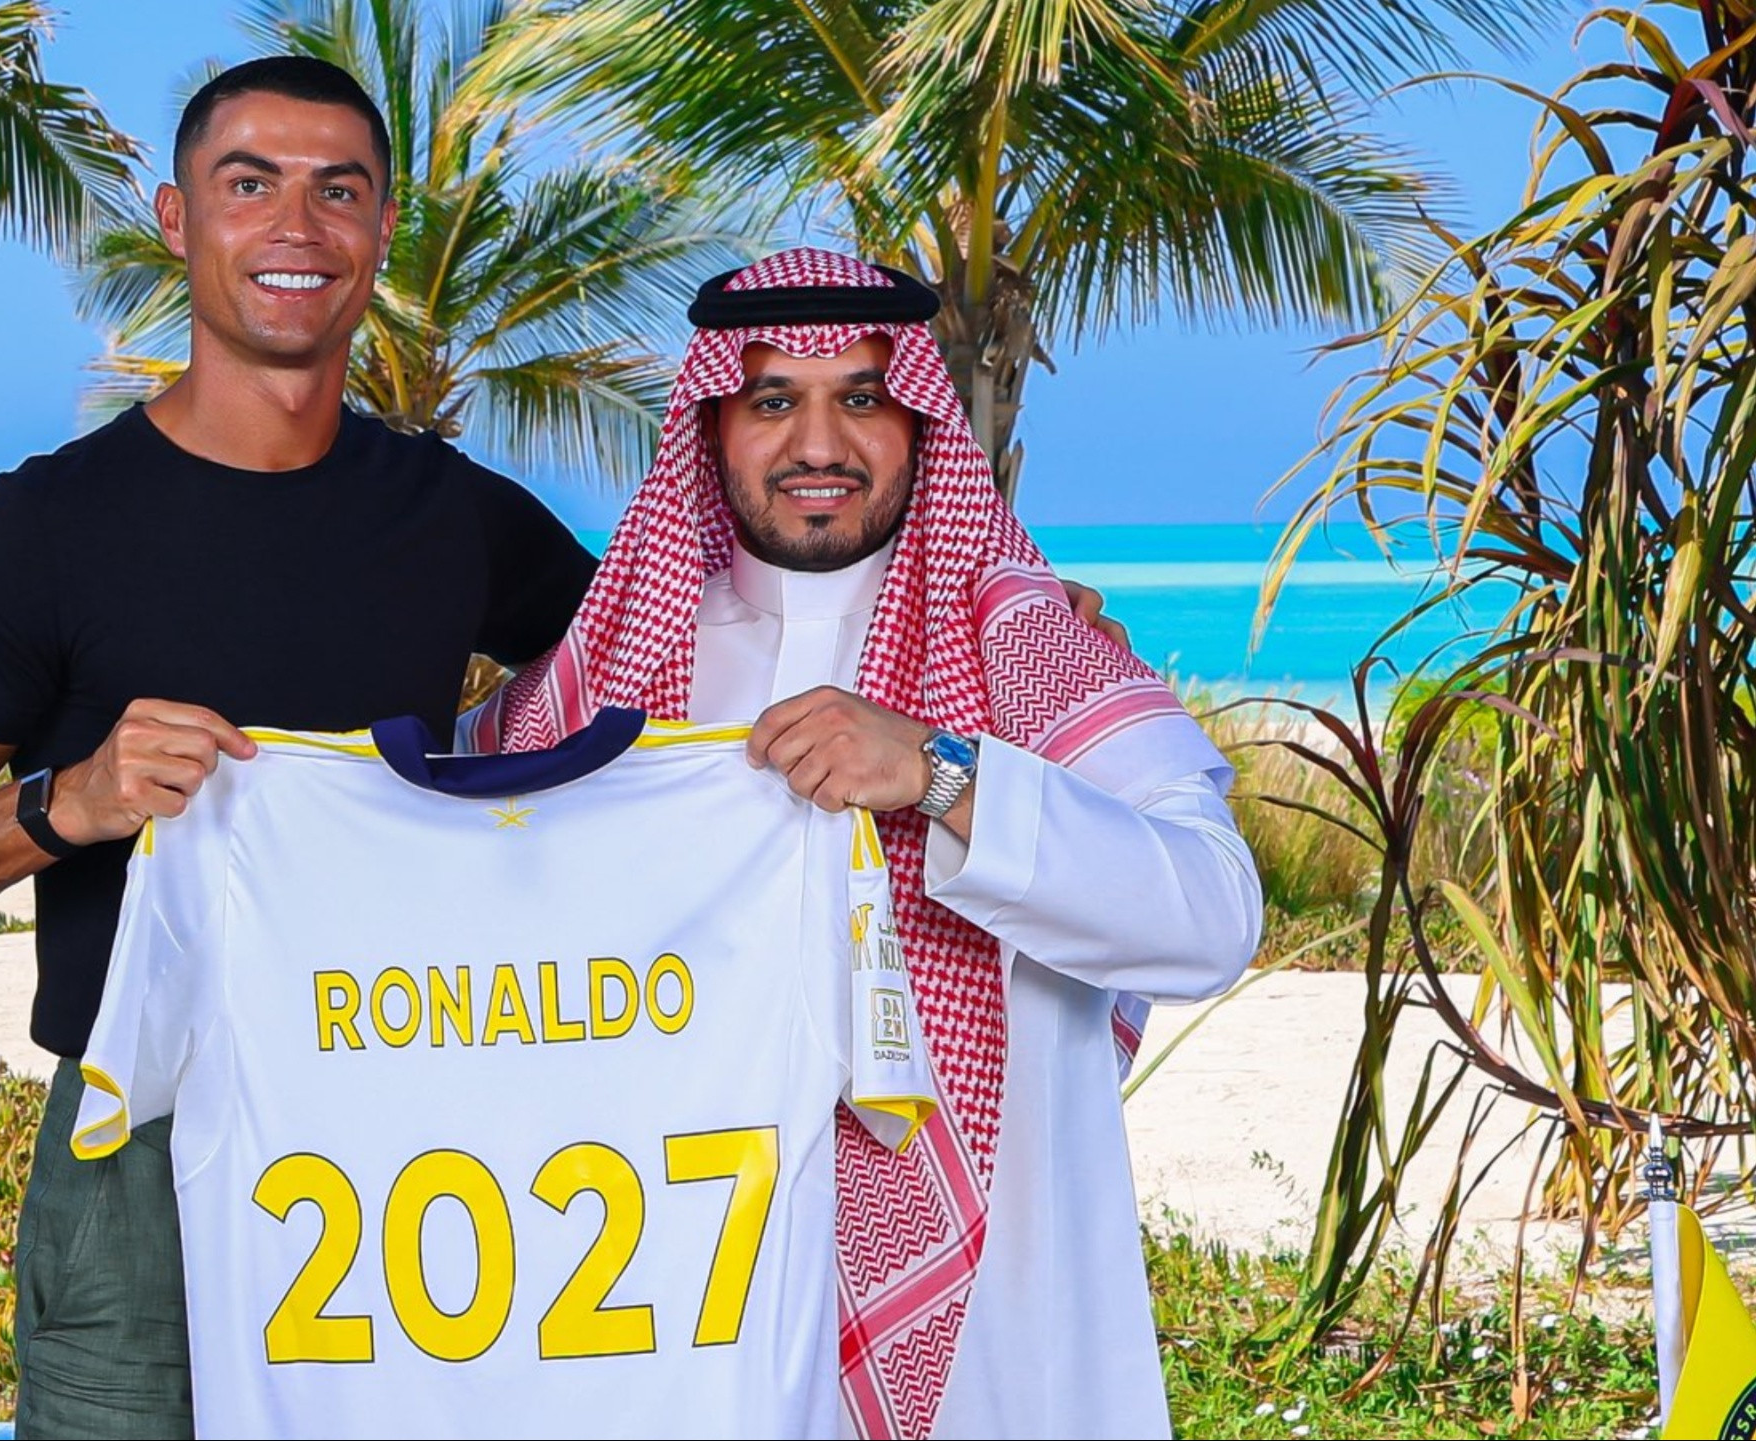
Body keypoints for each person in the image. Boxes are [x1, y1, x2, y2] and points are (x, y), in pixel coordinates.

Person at [0, 55, 598, 1438]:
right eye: (250, 185)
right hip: (143, 1152)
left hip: (414, 1138)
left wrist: (971, 628)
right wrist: (70, 801)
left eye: (337, 191)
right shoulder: (50, 530)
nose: (297, 227)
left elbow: (667, 671)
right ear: (176, 220)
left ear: (382, 228)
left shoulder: (455, 517)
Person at [464, 247, 1265, 1439]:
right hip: (672, 1312)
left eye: (863, 397)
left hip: (991, 1333)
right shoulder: (607, 674)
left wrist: (941, 775)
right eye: (772, 400)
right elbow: (436, 883)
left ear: (919, 423)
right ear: (711, 425)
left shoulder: (1027, 646)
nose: (818, 443)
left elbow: (1213, 916)